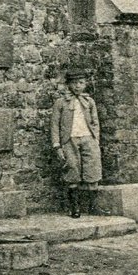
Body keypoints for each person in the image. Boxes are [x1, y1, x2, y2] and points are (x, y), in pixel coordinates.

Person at [48, 69, 101, 218]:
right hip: (69, 140)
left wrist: (95, 139)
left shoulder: (89, 102)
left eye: (81, 83)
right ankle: (74, 207)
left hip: (87, 138)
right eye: (74, 83)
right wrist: (57, 145)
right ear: (68, 84)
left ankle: (93, 206)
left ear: (85, 84)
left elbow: (95, 122)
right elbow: (55, 125)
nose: (78, 86)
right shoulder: (61, 102)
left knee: (93, 168)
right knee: (72, 169)